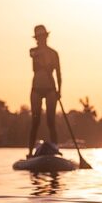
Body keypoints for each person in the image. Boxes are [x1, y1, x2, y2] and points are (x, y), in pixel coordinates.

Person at [27, 24, 61, 157]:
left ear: (46, 37)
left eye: (43, 36)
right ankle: (30, 152)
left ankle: (55, 149)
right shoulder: (33, 51)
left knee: (50, 121)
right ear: (36, 38)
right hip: (36, 89)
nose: (41, 39)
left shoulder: (54, 53)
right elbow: (33, 54)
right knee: (35, 121)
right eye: (39, 37)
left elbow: (58, 72)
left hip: (50, 89)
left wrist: (59, 90)